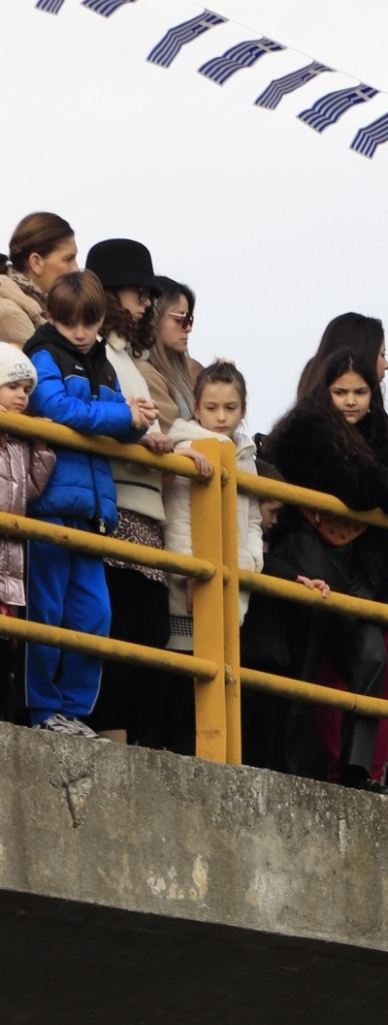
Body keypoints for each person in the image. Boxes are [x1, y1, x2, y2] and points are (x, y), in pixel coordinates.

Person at [259, 349, 388, 787]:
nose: (352, 401)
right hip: (303, 556)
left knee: (371, 656)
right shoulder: (306, 428)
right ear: (325, 391)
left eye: (360, 392)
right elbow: (351, 486)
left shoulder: (375, 433)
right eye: (341, 392)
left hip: (353, 571)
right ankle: (297, 768)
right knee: (303, 668)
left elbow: (383, 494)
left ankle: (356, 771)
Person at [22, 271, 153, 731]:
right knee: (48, 615)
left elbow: (119, 417)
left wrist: (139, 423)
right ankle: (43, 710)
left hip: (94, 512)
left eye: (89, 324)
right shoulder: (41, 353)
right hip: (51, 505)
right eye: (69, 323)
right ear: (51, 317)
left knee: (95, 615)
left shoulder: (103, 362)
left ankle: (74, 712)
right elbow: (59, 409)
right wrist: (124, 414)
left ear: (101, 320)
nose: (80, 333)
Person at [82, 238, 180, 746]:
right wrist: (143, 432)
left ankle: (135, 748)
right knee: (118, 638)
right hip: (116, 507)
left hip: (148, 513)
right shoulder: (95, 351)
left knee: (147, 640)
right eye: (138, 292)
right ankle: (114, 745)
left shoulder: (130, 358)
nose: (145, 304)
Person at [159, 362, 265, 750]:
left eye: (230, 408)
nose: (221, 417)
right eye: (212, 407)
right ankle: (180, 748)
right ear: (196, 407)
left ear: (243, 408)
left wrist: (251, 561)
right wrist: (190, 573)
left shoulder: (245, 453)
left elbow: (253, 519)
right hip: (194, 577)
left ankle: (216, 750)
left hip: (232, 577)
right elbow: (179, 519)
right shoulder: (187, 446)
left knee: (224, 669)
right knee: (186, 669)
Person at [0, 351, 56, 701]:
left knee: (7, 644)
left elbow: (32, 488)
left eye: (26, 389)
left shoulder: (22, 438)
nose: (22, 395)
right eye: (12, 387)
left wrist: (41, 446)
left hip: (12, 559)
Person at [2, 212, 78, 347]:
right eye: (68, 259)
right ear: (36, 263)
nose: (76, 269)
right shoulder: (10, 316)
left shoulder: (51, 310)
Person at [141, 278, 203, 424]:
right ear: (154, 318)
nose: (188, 328)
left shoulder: (192, 370)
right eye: (180, 319)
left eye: (189, 319)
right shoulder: (146, 375)